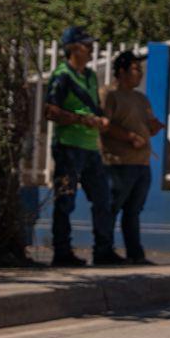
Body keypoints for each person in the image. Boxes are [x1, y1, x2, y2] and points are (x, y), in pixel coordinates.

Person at [43, 26, 119, 267]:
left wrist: (101, 119)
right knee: (65, 200)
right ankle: (62, 252)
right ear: (73, 48)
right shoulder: (62, 75)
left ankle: (103, 250)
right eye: (87, 46)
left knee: (103, 198)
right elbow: (50, 110)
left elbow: (93, 107)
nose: (91, 50)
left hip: (89, 146)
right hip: (68, 145)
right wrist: (80, 119)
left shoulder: (89, 76)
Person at [101, 49, 165, 265]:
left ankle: (135, 253)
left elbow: (148, 123)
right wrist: (130, 137)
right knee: (111, 208)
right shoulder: (109, 95)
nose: (140, 74)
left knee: (133, 211)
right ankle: (104, 251)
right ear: (121, 71)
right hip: (119, 162)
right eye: (136, 69)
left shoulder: (141, 98)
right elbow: (104, 126)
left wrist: (154, 128)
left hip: (141, 163)